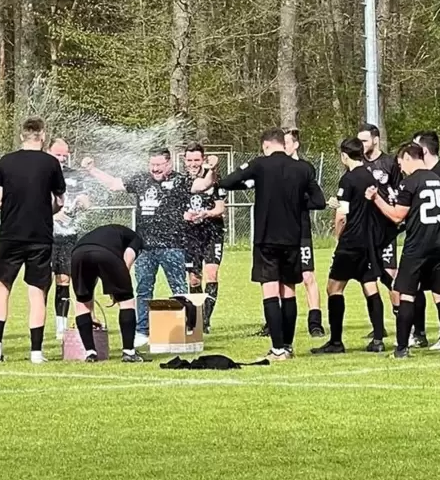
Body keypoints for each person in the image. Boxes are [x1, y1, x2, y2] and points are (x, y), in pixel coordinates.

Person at [194, 128, 326, 361]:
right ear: (282, 144)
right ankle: (287, 346)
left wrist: (216, 171)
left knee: (270, 291)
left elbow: (226, 182)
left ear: (266, 145)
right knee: (289, 291)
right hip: (293, 238)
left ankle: (277, 349)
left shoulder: (260, 164)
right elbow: (319, 201)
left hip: (266, 238)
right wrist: (295, 199)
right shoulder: (303, 168)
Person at [81, 149, 216, 347]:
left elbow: (204, 184)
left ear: (168, 164)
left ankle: (181, 330)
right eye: (152, 164)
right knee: (143, 290)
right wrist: (92, 170)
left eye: (159, 164)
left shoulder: (180, 180)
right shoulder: (141, 180)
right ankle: (142, 331)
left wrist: (212, 169)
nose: (155, 168)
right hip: (144, 247)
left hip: (173, 246)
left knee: (178, 289)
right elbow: (113, 184)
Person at [367, 143, 440, 358]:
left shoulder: (410, 182)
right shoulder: (439, 179)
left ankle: (401, 348)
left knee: (406, 295)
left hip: (418, 246)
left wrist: (376, 198)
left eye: (401, 164)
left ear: (408, 157)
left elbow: (398, 215)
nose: (401, 169)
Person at [0, 117, 66, 364]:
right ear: (42, 135)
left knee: (2, 288)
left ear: (22, 135)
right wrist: (47, 210)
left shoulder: (6, 162)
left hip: (10, 234)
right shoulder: (51, 163)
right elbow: (60, 200)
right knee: (37, 293)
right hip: (39, 236)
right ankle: (36, 352)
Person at [311, 137, 387, 354]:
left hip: (351, 242)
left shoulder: (348, 179)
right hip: (368, 241)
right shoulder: (371, 176)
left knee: (333, 288)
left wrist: (337, 237)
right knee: (370, 287)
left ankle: (336, 341)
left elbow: (342, 215)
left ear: (344, 156)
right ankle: (378, 338)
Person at [410, 131, 440, 350]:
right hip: (422, 241)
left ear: (425, 151)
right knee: (417, 286)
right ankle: (418, 333)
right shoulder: (421, 174)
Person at [71, 224, 145, 362]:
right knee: (127, 300)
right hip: (105, 253)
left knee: (82, 302)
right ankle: (129, 352)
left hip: (78, 253)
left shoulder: (106, 231)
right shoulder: (136, 239)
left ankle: (90, 353)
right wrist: (118, 290)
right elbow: (126, 263)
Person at [357, 123, 401, 332]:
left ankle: (402, 318)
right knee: (368, 277)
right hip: (366, 230)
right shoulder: (358, 163)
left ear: (376, 139)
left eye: (364, 140)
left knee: (390, 273)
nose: (361, 144)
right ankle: (378, 327)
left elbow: (400, 191)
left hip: (385, 228)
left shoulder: (390, 162)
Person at [48, 138, 91, 340]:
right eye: (58, 154)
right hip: (45, 235)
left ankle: (61, 326)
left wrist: (82, 202)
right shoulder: (42, 172)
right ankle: (38, 325)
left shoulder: (74, 175)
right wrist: (52, 215)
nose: (62, 159)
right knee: (41, 283)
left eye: (65, 155)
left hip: (68, 234)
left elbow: (86, 200)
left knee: (64, 279)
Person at [285, 128, 325, 337]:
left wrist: (299, 201)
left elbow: (319, 201)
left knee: (308, 275)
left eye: (287, 143)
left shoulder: (305, 168)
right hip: (281, 233)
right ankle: (279, 320)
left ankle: (315, 321)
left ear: (295, 145)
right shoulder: (276, 169)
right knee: (283, 279)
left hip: (301, 231)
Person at [182, 143, 226, 334]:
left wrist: (206, 214)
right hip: (191, 236)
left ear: (203, 159)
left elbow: (220, 208)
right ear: (184, 161)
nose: (193, 164)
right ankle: (196, 318)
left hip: (212, 234)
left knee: (211, 274)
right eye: (189, 160)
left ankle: (206, 321)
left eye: (196, 160)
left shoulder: (214, 180)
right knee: (193, 279)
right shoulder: (180, 181)